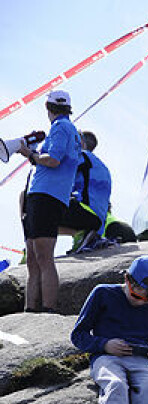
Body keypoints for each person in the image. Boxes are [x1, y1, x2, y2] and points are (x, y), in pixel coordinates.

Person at [70, 255, 148, 404]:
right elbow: (78, 335)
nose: (141, 302)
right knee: (115, 384)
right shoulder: (103, 294)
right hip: (106, 357)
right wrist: (104, 344)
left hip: (141, 359)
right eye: (137, 296)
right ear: (127, 279)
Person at [18, 90, 82, 312]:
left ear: (48, 107)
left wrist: (30, 154)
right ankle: (31, 309)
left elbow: (53, 159)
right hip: (45, 194)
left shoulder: (61, 127)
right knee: (33, 257)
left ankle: (47, 309)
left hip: (47, 195)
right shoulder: (68, 128)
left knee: (42, 256)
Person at [63, 130, 112, 252]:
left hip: (87, 213)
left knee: (40, 205)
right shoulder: (100, 165)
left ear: (81, 143)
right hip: (98, 222)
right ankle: (81, 236)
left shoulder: (82, 156)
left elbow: (58, 176)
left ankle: (79, 234)